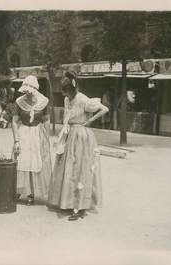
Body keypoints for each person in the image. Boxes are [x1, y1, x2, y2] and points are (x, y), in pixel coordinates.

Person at [48, 71, 109, 221]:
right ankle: (68, 201)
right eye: (64, 92)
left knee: (80, 169)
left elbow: (104, 109)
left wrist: (89, 121)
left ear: (72, 89)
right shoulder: (67, 100)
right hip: (70, 135)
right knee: (68, 168)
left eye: (67, 92)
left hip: (82, 135)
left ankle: (80, 206)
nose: (66, 95)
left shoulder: (83, 99)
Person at [12, 75, 52, 206]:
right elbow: (14, 121)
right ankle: (18, 190)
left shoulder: (44, 101)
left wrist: (47, 138)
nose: (26, 94)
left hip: (37, 133)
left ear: (35, 90)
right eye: (25, 92)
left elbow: (46, 120)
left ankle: (32, 193)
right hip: (23, 132)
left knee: (35, 161)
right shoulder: (19, 101)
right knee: (21, 160)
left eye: (29, 92)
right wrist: (16, 140)